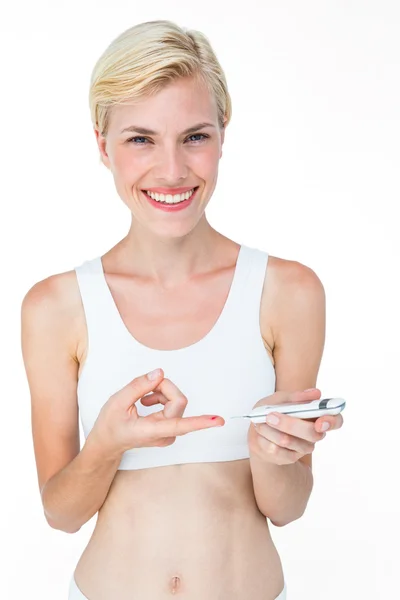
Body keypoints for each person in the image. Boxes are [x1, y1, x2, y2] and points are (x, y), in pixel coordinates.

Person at [21, 19, 344, 600]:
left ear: (223, 134)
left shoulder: (289, 292)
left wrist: (272, 453)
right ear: (103, 146)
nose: (171, 170)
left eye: (194, 136)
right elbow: (61, 514)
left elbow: (288, 507)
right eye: (140, 139)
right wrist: (107, 444)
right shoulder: (56, 307)